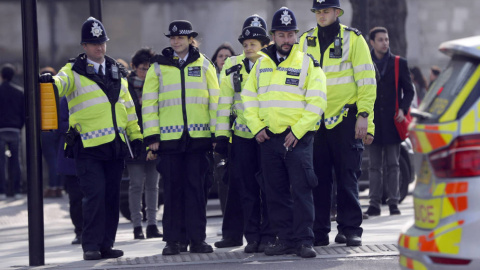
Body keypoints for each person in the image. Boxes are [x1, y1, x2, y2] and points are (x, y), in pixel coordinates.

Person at [39, 17, 143, 260]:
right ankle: (91, 246)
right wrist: (50, 82)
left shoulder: (117, 70)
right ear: (84, 46)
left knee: (110, 198)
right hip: (88, 147)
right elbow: (61, 83)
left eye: (102, 43)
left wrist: (136, 136)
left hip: (115, 147)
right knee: (94, 197)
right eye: (93, 43)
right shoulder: (73, 70)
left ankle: (107, 244)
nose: (99, 47)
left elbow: (128, 107)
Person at [242, 7, 327, 258]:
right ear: (273, 36)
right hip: (269, 139)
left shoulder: (308, 63)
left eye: (291, 34)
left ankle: (303, 240)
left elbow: (318, 101)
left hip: (297, 139)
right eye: (282, 35)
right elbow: (248, 98)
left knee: (301, 191)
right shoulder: (262, 64)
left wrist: (298, 131)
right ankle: (285, 239)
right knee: (275, 193)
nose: (287, 40)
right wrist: (256, 127)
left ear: (297, 36)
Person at [299, 0, 377, 247]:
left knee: (347, 177)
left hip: (346, 118)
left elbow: (366, 80)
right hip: (315, 120)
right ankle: (319, 231)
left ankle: (350, 228)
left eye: (326, 11)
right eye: (318, 12)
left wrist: (364, 116)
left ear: (337, 12)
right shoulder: (305, 40)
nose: (322, 16)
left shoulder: (354, 39)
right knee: (318, 179)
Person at [142, 20, 219, 256]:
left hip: (199, 138)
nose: (176, 41)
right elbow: (149, 103)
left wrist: (217, 134)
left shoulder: (205, 64)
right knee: (173, 192)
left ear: (190, 40)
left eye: (181, 38)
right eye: (173, 38)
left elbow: (214, 101)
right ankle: (173, 241)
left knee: (196, 191)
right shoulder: (158, 66)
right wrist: (152, 136)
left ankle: (197, 240)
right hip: (169, 140)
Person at [215, 14, 275, 253]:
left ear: (264, 43)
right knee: (247, 190)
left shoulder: (273, 63)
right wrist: (221, 137)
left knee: (270, 188)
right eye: (246, 42)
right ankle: (252, 237)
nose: (250, 45)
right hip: (242, 137)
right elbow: (224, 103)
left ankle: (269, 236)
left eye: (256, 41)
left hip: (270, 135)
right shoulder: (232, 65)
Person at [365, 26, 414, 217]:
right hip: (373, 122)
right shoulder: (365, 62)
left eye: (386, 39)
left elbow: (409, 90)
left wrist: (403, 108)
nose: (385, 43)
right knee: (374, 165)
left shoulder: (399, 63)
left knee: (393, 164)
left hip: (393, 121)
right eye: (380, 40)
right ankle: (374, 203)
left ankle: (394, 202)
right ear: (372, 42)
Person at [126, 48, 162, 240]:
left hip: (154, 139)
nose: (146, 73)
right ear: (133, 68)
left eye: (149, 69)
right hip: (135, 142)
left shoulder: (157, 85)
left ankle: (153, 224)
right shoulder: (126, 86)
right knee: (136, 184)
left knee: (153, 185)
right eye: (142, 69)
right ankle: (137, 225)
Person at [57, 96, 84, 244]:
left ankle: (92, 230)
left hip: (92, 153)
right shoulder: (65, 100)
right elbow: (60, 124)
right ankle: (79, 231)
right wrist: (79, 126)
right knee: (75, 198)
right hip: (71, 155)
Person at [0, 63, 24, 200]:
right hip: (15, 129)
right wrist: (19, 126)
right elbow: (23, 113)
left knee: (1, 162)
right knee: (16, 161)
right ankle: (17, 190)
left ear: (2, 75)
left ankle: (2, 191)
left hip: (1, 129)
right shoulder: (19, 92)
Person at [40, 67, 63, 198]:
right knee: (58, 159)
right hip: (58, 129)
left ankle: (52, 187)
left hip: (47, 129)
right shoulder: (60, 92)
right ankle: (59, 187)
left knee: (51, 160)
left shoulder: (40, 92)